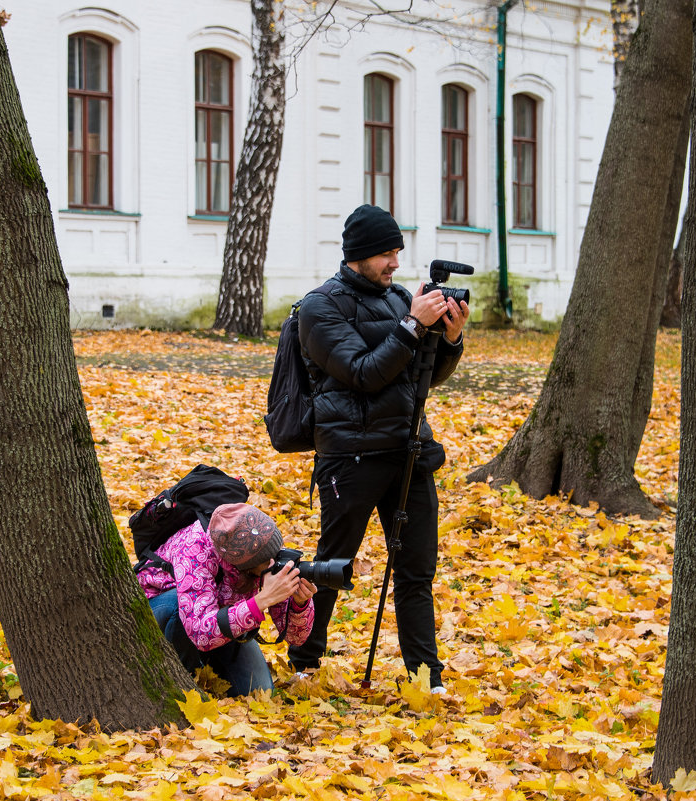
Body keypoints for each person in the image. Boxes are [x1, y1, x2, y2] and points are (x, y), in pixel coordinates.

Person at [287, 204, 470, 691]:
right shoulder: (320, 308)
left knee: (415, 569)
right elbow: (364, 373)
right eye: (386, 254)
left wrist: (449, 339)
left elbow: (420, 378)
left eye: (397, 252)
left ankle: (425, 677)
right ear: (359, 255)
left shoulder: (398, 299)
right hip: (350, 456)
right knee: (333, 561)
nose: (394, 263)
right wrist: (411, 326)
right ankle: (304, 660)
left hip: (408, 452)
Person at [137, 502, 316, 696]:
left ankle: (211, 664)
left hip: (222, 619)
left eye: (277, 553)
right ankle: (181, 682)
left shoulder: (263, 550)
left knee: (258, 691)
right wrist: (262, 600)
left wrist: (300, 605)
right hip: (162, 609)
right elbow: (199, 632)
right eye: (268, 561)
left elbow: (295, 638)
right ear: (245, 565)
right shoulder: (195, 549)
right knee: (177, 609)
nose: (275, 562)